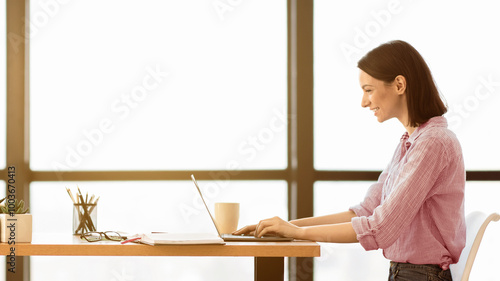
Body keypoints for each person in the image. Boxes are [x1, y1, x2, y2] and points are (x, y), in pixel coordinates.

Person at [233, 40, 466, 281]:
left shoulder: (433, 143)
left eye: (368, 90)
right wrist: (286, 227)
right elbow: (366, 210)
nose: (364, 102)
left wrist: (297, 232)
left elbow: (381, 228)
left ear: (399, 84)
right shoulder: (410, 143)